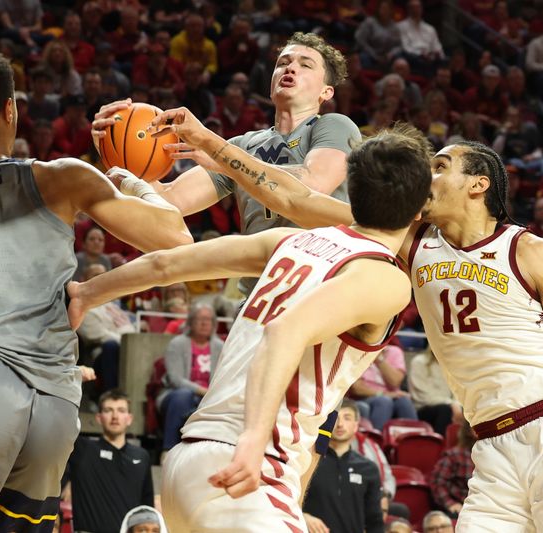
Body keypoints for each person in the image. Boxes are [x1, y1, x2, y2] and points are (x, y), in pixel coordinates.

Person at [170, 136, 543, 527]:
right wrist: (213, 145)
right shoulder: (412, 245)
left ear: (478, 184)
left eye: (440, 166)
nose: (427, 177)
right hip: (491, 445)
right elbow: (295, 200)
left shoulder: (530, 251)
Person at [66, 124, 432, 531]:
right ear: (420, 211)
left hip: (187, 461)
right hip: (249, 466)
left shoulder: (292, 241)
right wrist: (253, 440)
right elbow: (284, 332)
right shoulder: (384, 277)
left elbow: (166, 264)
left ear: (352, 189)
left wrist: (86, 293)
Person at [0, 50, 190, 533]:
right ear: (10, 110)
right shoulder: (62, 176)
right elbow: (175, 238)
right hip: (55, 399)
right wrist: (129, 177)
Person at [92, 32, 359, 296]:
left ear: (326, 91)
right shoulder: (242, 146)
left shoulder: (333, 125)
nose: (290, 68)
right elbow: (168, 200)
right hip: (259, 297)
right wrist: (114, 147)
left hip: (320, 287)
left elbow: (313, 184)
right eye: (283, 62)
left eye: (305, 64)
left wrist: (222, 155)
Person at [66, 390, 155, 533]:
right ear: (99, 417)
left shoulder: (142, 456)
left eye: (121, 410)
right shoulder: (82, 450)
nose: (115, 416)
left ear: (129, 418)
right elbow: (60, 422)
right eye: (108, 410)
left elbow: (147, 508)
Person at [303, 400, 385, 533]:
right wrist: (303, 516)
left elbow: (374, 520)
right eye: (335, 418)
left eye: (347, 418)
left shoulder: (369, 468)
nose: (340, 424)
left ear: (356, 425)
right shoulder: (308, 459)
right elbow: (289, 499)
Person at [158, 303, 223, 452]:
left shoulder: (220, 346)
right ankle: (169, 450)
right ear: (190, 322)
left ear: (214, 324)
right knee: (183, 396)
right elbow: (175, 379)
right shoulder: (177, 344)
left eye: (208, 319)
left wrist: (210, 394)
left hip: (210, 396)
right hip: (176, 394)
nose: (204, 323)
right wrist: (202, 391)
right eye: (199, 319)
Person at [429, 420, 476, 518]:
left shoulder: (493, 455)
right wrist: (450, 504)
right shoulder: (454, 455)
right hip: (461, 507)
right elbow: (437, 482)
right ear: (468, 431)